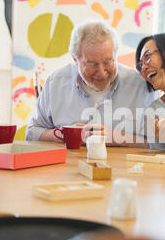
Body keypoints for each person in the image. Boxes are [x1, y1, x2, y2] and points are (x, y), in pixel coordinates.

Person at [26, 19, 157, 146]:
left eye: (108, 62)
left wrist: (118, 138)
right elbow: (32, 133)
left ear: (115, 55)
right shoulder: (55, 83)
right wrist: (63, 134)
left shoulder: (140, 85)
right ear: (75, 60)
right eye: (91, 64)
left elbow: (158, 143)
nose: (101, 72)